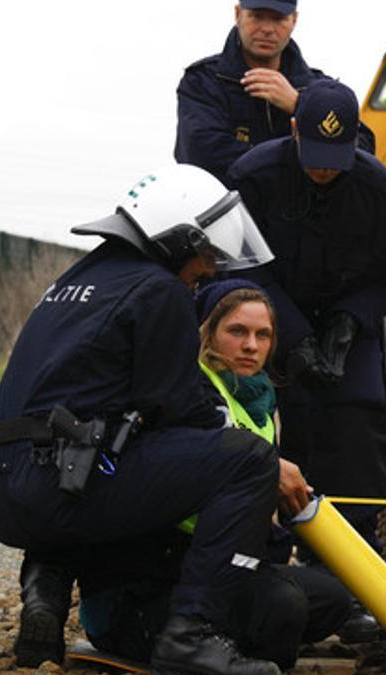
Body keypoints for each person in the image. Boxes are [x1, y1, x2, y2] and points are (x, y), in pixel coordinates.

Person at [0, 164, 285, 675]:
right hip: (56, 487)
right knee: (249, 461)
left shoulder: (77, 280)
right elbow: (182, 409)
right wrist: (261, 461)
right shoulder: (159, 289)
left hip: (8, 486)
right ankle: (192, 636)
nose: (209, 269)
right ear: (176, 239)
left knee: (97, 451)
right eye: (206, 252)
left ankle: (45, 599)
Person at [73, 279, 353, 669]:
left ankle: (231, 633)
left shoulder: (262, 403)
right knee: (283, 608)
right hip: (150, 575)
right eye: (237, 331)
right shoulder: (187, 391)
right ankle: (189, 645)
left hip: (211, 567)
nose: (251, 346)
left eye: (263, 334)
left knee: (333, 600)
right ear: (206, 332)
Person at [226, 79, 386, 553]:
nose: (321, 170)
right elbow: (238, 262)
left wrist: (352, 319)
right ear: (294, 129)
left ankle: (348, 560)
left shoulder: (379, 190)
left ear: (355, 140)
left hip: (347, 327)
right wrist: (291, 334)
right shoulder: (254, 178)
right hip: (271, 320)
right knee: (274, 424)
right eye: (312, 154)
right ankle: (261, 553)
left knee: (356, 424)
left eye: (333, 159)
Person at [175, 0, 374, 183]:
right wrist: (310, 159)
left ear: (294, 20)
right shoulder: (202, 82)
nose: (267, 29)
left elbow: (363, 152)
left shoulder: (319, 89)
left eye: (278, 19)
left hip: (301, 219)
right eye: (257, 16)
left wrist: (302, 106)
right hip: (230, 216)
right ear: (238, 14)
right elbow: (202, 157)